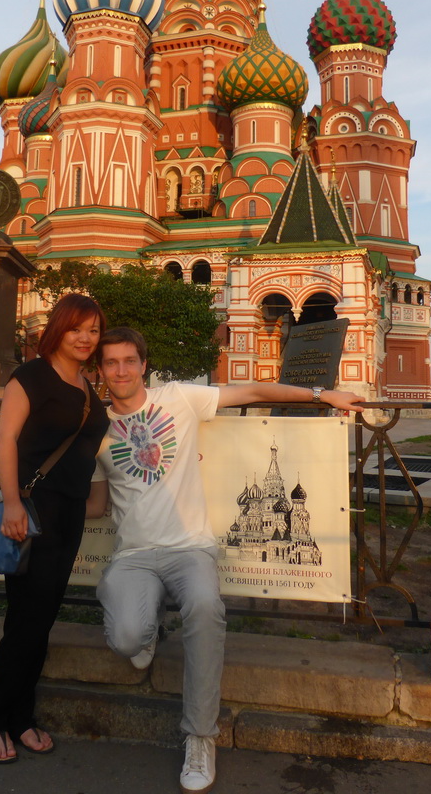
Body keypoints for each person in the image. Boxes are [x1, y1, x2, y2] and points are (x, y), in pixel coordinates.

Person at [87, 327, 364, 794]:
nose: (120, 370)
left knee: (204, 608)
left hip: (189, 549)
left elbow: (253, 389)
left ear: (143, 365)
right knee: (125, 640)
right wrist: (22, 500)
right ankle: (146, 626)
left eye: (129, 361)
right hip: (134, 554)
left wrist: (323, 394)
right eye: (111, 363)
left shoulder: (177, 399)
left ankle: (200, 737)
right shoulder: (95, 430)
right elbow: (94, 505)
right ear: (100, 372)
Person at [0, 293, 109, 764]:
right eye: (77, 328)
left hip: (69, 514)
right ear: (58, 328)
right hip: (32, 513)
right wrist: (12, 502)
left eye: (93, 330)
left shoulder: (88, 385)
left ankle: (21, 717)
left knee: (42, 619)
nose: (85, 338)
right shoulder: (30, 376)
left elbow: (87, 453)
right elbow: (6, 438)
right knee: (25, 622)